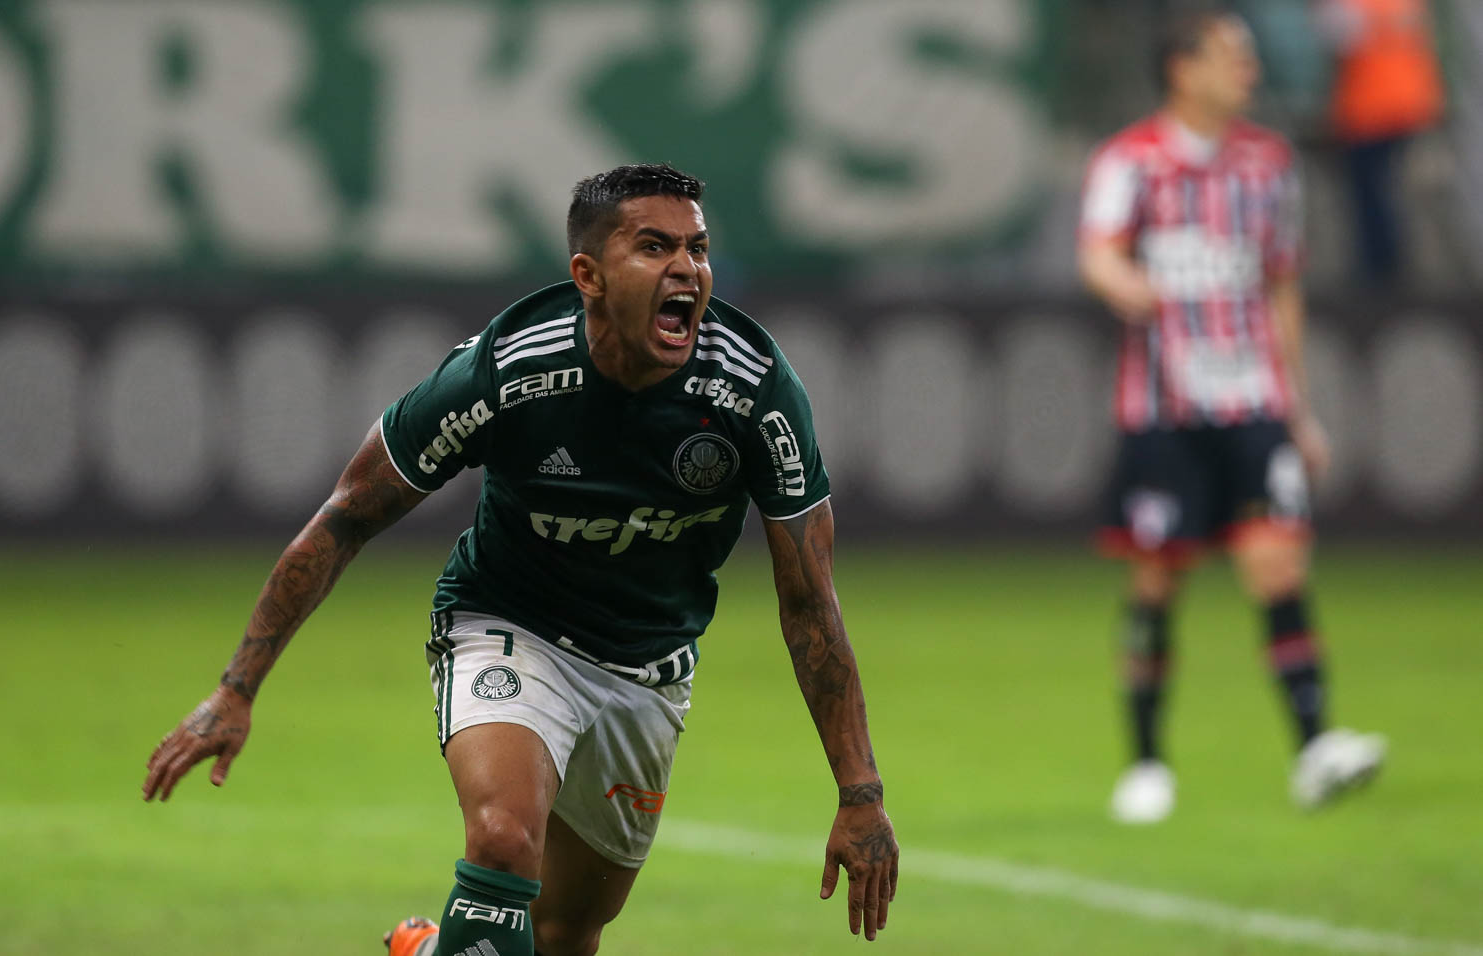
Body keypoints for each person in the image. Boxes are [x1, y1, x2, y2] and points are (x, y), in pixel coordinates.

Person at [142, 163, 899, 954]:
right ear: (589, 274)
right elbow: (346, 518)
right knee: (503, 838)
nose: (687, 270)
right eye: (654, 246)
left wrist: (861, 793)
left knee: (564, 934)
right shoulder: (506, 371)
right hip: (509, 626)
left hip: (648, 669)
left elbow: (810, 599)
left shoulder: (755, 390)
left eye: (698, 249)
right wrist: (235, 690)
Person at [1077, 10, 1385, 824]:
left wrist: (1299, 408)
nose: (1248, 70)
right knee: (1156, 579)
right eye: (1231, 56)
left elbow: (1281, 283)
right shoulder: (1130, 162)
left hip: (1253, 403)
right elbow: (1098, 252)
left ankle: (1316, 745)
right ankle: (1145, 764)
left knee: (1279, 565)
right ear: (1184, 68)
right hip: (1164, 410)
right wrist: (1123, 283)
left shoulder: (1269, 165)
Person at [1318, 0, 1445, 287]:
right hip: (1409, 104)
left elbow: (1336, 35)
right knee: (1389, 191)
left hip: (1371, 110)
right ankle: (1396, 270)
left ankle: (1383, 274)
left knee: (1373, 194)